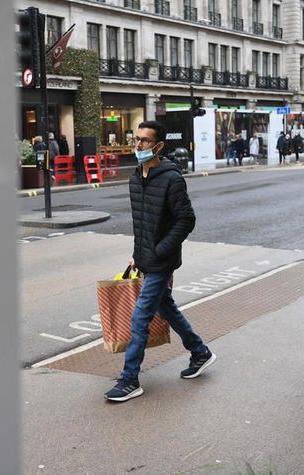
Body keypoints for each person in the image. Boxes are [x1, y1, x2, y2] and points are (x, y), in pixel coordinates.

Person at [104, 120, 216, 402]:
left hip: (162, 260)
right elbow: (142, 224)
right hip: (146, 258)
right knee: (167, 308)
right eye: (136, 139)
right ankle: (200, 351)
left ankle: (130, 380)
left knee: (140, 316)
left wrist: (159, 250)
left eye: (144, 141)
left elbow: (186, 220)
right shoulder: (135, 178)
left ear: (159, 146)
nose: (138, 145)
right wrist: (138, 255)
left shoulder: (171, 178)